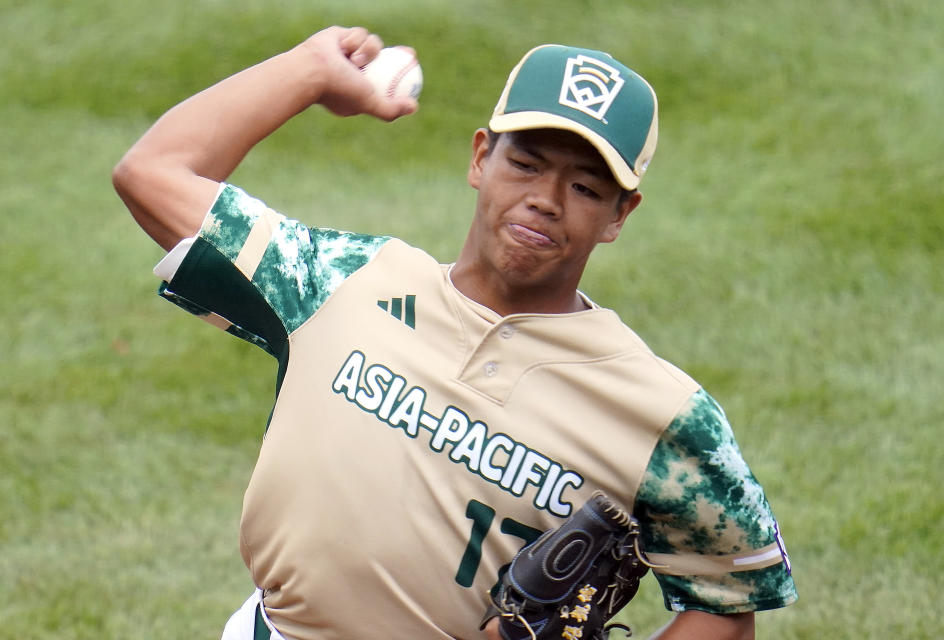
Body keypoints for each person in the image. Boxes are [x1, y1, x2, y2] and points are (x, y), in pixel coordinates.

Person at [113, 26, 797, 640]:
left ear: (621, 215)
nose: (546, 201)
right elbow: (152, 173)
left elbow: (725, 599)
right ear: (480, 159)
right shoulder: (339, 283)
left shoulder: (663, 416)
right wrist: (310, 71)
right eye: (526, 163)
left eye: (586, 188)